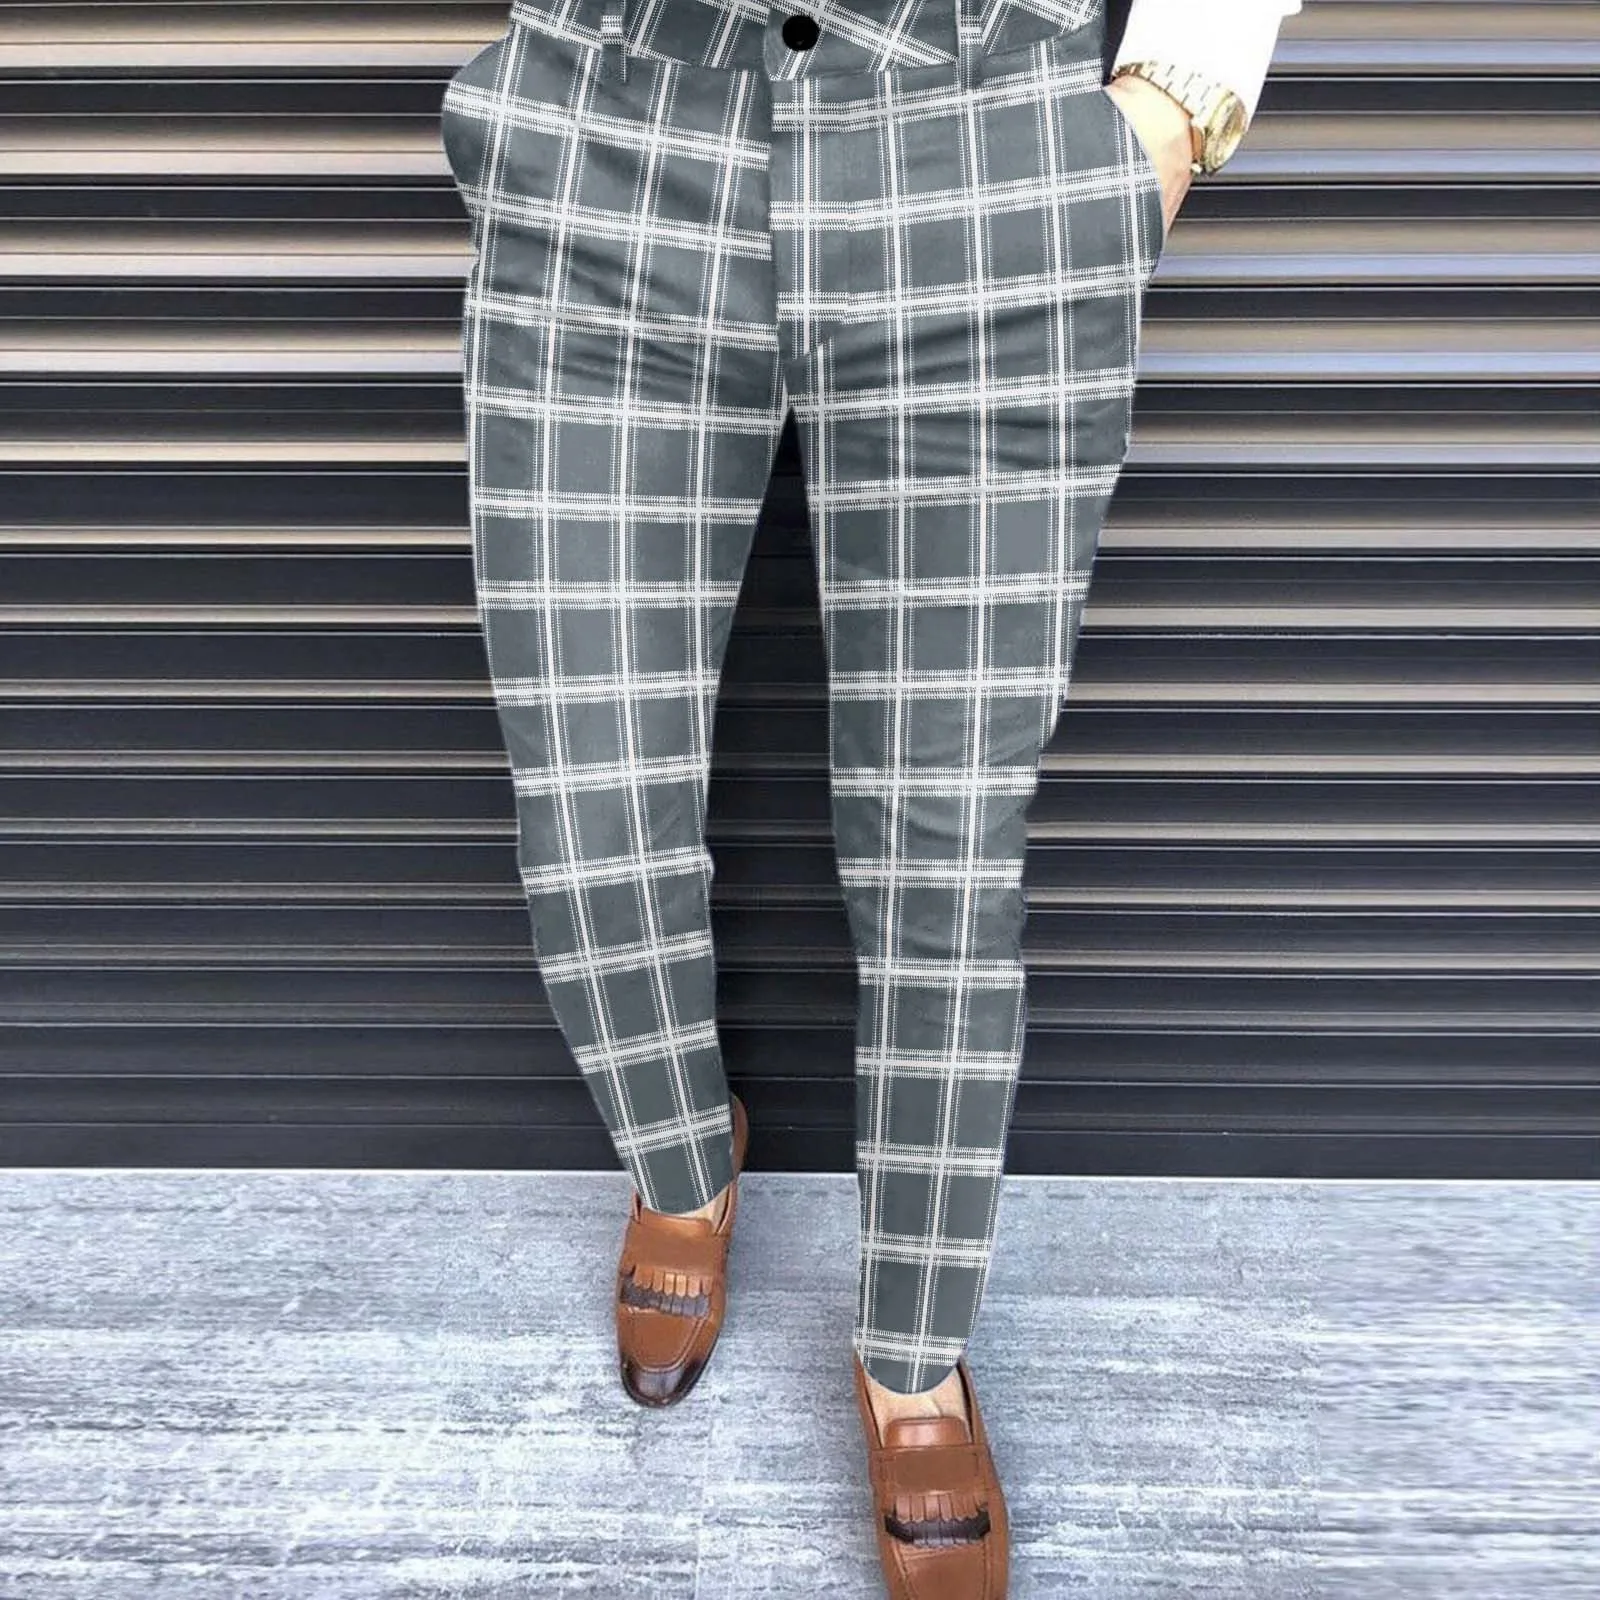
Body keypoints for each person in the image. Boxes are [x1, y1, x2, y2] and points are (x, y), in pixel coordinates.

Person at [440, 2, 1298, 1593]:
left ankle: (915, 1356)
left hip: (981, 147)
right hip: (614, 138)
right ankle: (682, 1158)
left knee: (943, 847)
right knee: (587, 784)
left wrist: (1184, 95)